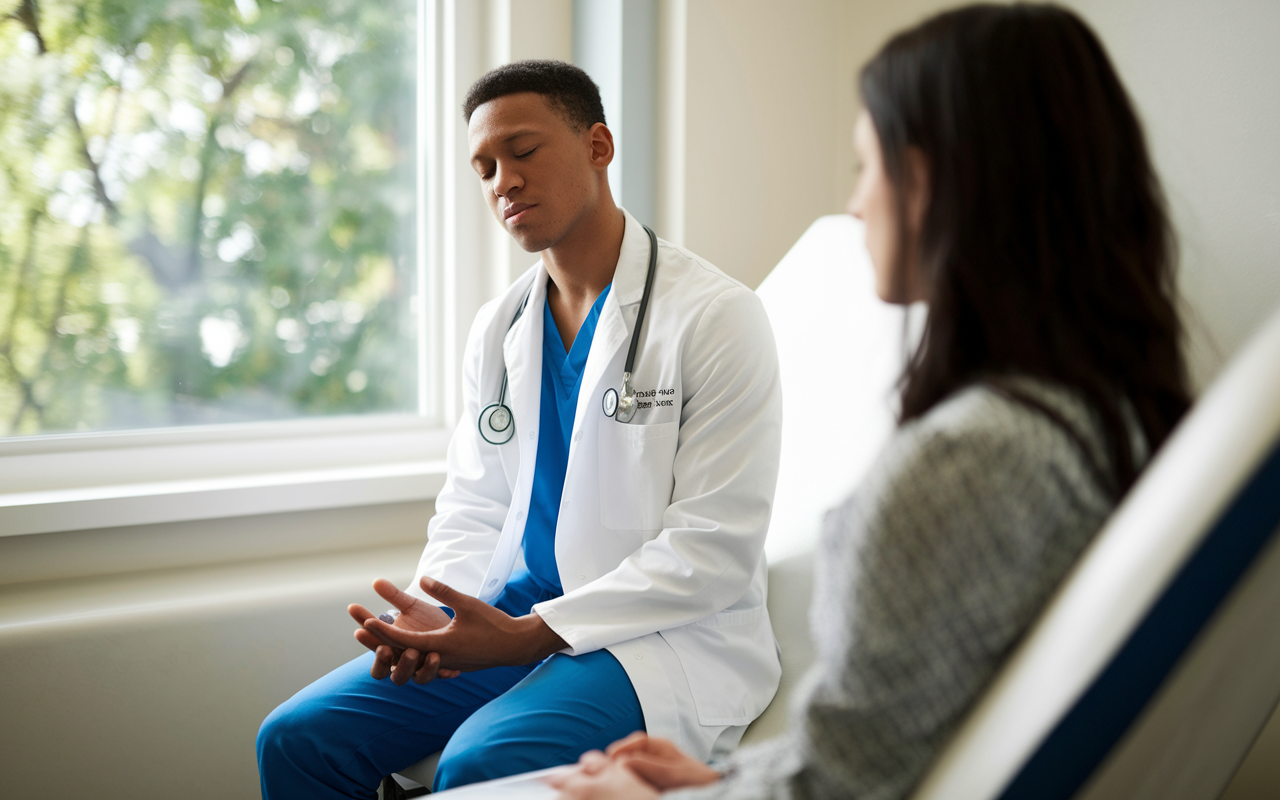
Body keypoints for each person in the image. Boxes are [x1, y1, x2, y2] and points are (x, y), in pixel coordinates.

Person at [550, 4, 1191, 799]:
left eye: (865, 167)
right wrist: (719, 777)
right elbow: (881, 744)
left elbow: (835, 791)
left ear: (923, 180)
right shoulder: (1109, 417)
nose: (854, 206)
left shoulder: (967, 463)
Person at [255, 60, 784, 798]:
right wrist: (435, 611)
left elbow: (715, 548)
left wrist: (532, 634)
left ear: (598, 146)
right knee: (296, 739)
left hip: (651, 637)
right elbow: (475, 503)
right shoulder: (499, 327)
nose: (503, 180)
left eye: (524, 151)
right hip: (510, 616)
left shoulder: (715, 316)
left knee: (481, 763)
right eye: (485, 167)